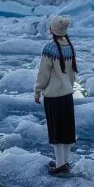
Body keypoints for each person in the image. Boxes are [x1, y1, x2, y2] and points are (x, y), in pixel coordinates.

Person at [34, 15, 78, 175]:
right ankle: (64, 161)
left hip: (53, 96)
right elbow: (73, 73)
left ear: (52, 30)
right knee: (66, 130)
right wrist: (69, 87)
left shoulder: (49, 48)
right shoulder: (70, 47)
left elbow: (43, 74)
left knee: (56, 131)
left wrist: (38, 90)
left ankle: (60, 165)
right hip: (67, 95)